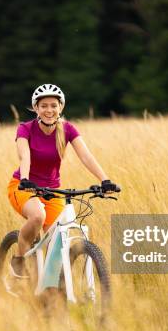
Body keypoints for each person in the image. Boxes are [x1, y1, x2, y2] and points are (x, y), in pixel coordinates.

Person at [7, 84, 119, 278]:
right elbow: (24, 156)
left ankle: (50, 292)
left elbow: (86, 156)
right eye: (43, 106)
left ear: (61, 107)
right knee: (37, 216)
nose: (49, 110)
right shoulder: (25, 129)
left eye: (53, 105)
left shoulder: (67, 129)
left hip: (52, 191)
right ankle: (19, 257)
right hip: (23, 186)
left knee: (56, 243)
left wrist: (105, 180)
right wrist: (25, 179)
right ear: (36, 108)